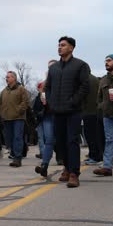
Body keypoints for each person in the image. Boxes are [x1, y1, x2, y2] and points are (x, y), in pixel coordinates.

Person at [45, 36, 90, 188]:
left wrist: (73, 101)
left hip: (73, 111)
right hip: (57, 111)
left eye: (63, 45)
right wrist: (51, 102)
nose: (60, 47)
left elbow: (85, 87)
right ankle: (66, 167)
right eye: (59, 45)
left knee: (72, 141)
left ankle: (74, 174)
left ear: (71, 48)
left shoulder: (81, 65)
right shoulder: (54, 68)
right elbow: (48, 87)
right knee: (61, 142)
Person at [0, 71, 29, 168]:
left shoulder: (21, 89)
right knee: (10, 139)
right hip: (7, 118)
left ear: (14, 78)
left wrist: (18, 110)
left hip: (18, 118)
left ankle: (17, 158)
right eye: (6, 77)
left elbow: (25, 102)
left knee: (17, 137)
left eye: (8, 77)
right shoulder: (4, 91)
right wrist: (2, 113)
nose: (6, 78)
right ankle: (14, 155)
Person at [82, 71, 101, 166]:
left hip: (88, 111)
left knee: (90, 135)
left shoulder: (85, 80)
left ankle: (94, 156)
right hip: (95, 111)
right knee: (95, 135)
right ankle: (95, 155)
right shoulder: (95, 79)